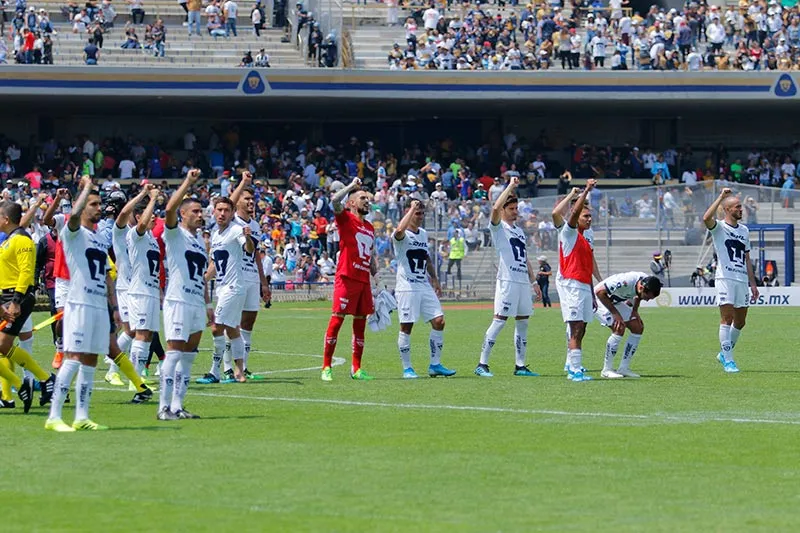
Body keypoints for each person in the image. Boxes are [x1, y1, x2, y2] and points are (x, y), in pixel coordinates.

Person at [46, 176, 115, 431]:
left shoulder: (99, 238)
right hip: (79, 303)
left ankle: (81, 416)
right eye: (93, 204)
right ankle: (53, 417)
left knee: (90, 360)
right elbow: (73, 216)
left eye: (99, 204)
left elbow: (107, 275)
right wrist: (85, 188)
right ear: (82, 205)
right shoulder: (73, 232)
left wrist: (113, 306)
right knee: (72, 358)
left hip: (98, 305)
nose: (99, 208)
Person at [474, 176, 541, 378]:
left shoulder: (519, 232)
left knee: (523, 323)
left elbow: (525, 258)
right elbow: (494, 209)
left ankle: (520, 365)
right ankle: (482, 364)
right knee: (500, 320)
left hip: (522, 282)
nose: (515, 212)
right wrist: (510, 186)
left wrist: (534, 281)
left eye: (516, 209)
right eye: (511, 209)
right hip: (507, 281)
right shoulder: (498, 227)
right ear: (504, 210)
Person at [158, 169, 209, 420]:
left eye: (201, 212)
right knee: (175, 352)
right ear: (184, 214)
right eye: (195, 212)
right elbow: (168, 210)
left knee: (188, 357)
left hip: (196, 303)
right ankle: (163, 407)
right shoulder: (175, 233)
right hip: (178, 300)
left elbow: (201, 278)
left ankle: (178, 405)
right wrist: (188, 182)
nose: (200, 215)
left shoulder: (200, 242)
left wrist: (207, 304)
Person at [0, 200, 55, 413]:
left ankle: (33, 381)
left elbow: (25, 272)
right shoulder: (9, 240)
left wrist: (15, 301)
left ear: (6, 219)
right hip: (5, 297)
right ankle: (32, 382)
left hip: (15, 297)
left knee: (3, 346)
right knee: (3, 348)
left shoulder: (22, 239)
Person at [320, 177, 377, 382]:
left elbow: (370, 256)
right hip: (346, 277)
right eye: (362, 198)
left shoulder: (370, 227)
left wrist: (377, 280)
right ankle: (326, 366)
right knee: (337, 321)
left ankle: (356, 368)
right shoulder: (345, 218)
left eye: (368, 198)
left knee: (360, 325)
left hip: (363, 281)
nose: (366, 201)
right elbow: (334, 201)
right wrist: (352, 187)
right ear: (351, 203)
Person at [392, 199, 455, 379]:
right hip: (407, 287)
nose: (419, 217)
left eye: (421, 214)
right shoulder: (401, 235)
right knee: (406, 326)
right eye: (416, 213)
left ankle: (435, 365)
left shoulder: (423, 234)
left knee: (439, 321)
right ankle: (407, 368)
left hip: (423, 284)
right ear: (408, 214)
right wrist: (411, 208)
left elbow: (426, 258)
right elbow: (398, 231)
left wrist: (434, 279)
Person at [197, 195, 254, 384]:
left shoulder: (236, 230)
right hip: (222, 288)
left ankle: (215, 372)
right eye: (219, 210)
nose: (222, 213)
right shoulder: (216, 234)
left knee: (216, 327)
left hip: (233, 287)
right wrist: (203, 278)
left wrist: (248, 237)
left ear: (232, 214)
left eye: (226, 210)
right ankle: (239, 371)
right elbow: (214, 263)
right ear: (213, 212)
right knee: (232, 330)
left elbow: (249, 249)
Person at [703, 188, 759, 373]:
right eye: (737, 207)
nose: (741, 210)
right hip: (725, 278)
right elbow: (705, 218)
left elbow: (747, 258)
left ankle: (723, 353)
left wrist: (753, 283)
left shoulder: (744, 230)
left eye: (741, 207)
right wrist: (721, 197)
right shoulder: (719, 227)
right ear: (727, 210)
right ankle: (728, 361)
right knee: (726, 319)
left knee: (740, 322)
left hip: (741, 280)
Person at [552, 180, 597, 382]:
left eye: (590, 216)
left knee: (582, 327)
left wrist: (593, 290)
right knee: (576, 326)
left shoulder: (587, 239)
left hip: (584, 286)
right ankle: (574, 370)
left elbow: (588, 268)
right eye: (586, 216)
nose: (589, 219)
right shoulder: (569, 233)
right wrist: (585, 191)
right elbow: (568, 214)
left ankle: (573, 364)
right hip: (571, 285)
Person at [228, 172, 271, 379]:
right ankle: (228, 367)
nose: (251, 202)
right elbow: (228, 202)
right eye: (246, 198)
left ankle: (243, 366)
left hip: (252, 277)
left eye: (252, 199)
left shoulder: (254, 225)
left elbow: (257, 256)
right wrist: (243, 183)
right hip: (235, 277)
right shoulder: (231, 221)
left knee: (249, 323)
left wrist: (264, 283)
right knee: (232, 323)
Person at [109, 185, 152, 387]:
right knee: (132, 330)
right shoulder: (120, 230)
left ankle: (114, 369)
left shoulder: (143, 235)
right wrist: (143, 194)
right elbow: (125, 212)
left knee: (133, 331)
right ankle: (116, 369)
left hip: (137, 286)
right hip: (125, 287)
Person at [594, 272, 662, 379]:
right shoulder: (625, 281)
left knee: (638, 327)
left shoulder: (645, 281)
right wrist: (616, 314)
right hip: (598, 301)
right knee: (619, 327)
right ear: (641, 287)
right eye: (647, 297)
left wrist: (635, 311)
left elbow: (638, 296)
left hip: (614, 302)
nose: (647, 300)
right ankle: (606, 370)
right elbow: (599, 292)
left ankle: (623, 368)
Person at [126, 185, 162, 383]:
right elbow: (140, 226)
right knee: (140, 334)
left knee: (147, 335)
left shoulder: (152, 239)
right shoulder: (135, 234)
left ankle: (140, 375)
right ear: (139, 216)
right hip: (139, 292)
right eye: (150, 214)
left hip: (152, 291)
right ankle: (135, 379)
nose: (154, 217)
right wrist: (152, 199)